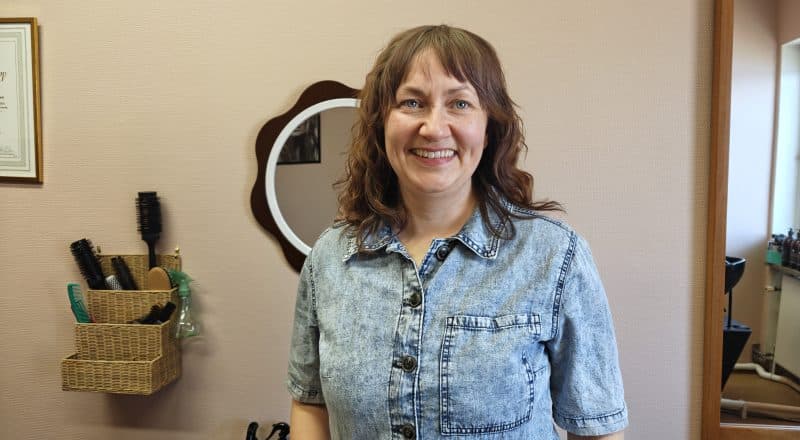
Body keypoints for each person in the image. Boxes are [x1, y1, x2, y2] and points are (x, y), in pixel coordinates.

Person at [286, 24, 628, 439]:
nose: (434, 127)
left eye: (460, 103)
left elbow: (597, 429)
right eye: (412, 102)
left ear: (489, 126)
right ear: (381, 122)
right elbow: (310, 403)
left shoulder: (554, 257)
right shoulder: (329, 259)